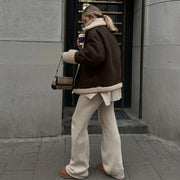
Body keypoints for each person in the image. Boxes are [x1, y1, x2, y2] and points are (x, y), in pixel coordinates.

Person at [59, 5, 125, 180]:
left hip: (95, 88)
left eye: (84, 19)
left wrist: (71, 55)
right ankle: (115, 169)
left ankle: (78, 169)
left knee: (78, 124)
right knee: (110, 126)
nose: (83, 23)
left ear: (92, 17)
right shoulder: (108, 32)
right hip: (109, 86)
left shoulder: (94, 31)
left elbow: (95, 57)